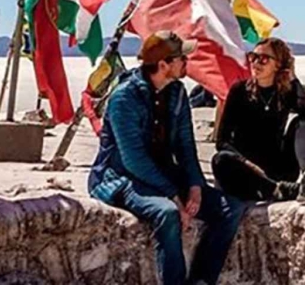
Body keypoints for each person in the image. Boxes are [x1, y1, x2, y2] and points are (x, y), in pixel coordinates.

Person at [88, 31, 245, 285]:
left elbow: (185, 145)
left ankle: (202, 280)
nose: (186, 62)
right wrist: (173, 195)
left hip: (163, 174)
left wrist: (195, 185)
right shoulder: (123, 98)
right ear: (163, 65)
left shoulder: (177, 92)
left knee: (231, 208)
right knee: (168, 213)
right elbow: (133, 159)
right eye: (182, 58)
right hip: (123, 177)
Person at [212, 38, 305, 204]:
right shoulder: (239, 90)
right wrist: (247, 164)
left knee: (301, 122)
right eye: (253, 57)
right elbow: (222, 141)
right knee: (220, 159)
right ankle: (275, 190)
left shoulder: (284, 91)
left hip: (277, 167)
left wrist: (292, 77)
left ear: (278, 65)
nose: (256, 63)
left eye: (263, 59)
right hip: (247, 169)